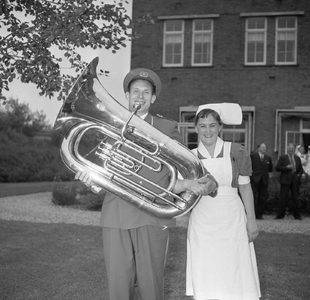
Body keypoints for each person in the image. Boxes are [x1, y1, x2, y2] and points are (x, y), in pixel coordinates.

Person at [75, 68, 218, 300]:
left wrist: (197, 184)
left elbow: (195, 172)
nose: (139, 97)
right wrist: (92, 180)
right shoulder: (110, 126)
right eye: (135, 92)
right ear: (127, 96)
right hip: (116, 216)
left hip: (153, 217)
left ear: (152, 98)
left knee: (151, 285)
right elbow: (105, 172)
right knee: (118, 287)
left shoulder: (167, 128)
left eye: (145, 92)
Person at [186, 103, 261, 300]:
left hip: (232, 218)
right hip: (202, 221)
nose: (207, 130)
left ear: (220, 127)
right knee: (206, 269)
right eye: (202, 126)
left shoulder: (235, 151)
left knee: (234, 268)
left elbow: (245, 187)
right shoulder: (189, 157)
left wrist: (251, 220)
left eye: (212, 125)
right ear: (196, 128)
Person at [275, 143, 303, 220]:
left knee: (295, 198)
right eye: (289, 148)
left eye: (292, 148)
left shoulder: (297, 158)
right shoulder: (282, 157)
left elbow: (301, 169)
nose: (291, 150)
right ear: (287, 149)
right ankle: (280, 215)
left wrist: (298, 175)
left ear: (294, 149)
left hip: (295, 179)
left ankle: (297, 215)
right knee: (283, 198)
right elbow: (277, 168)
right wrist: (286, 167)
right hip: (285, 179)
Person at [250, 143, 273, 219]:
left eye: (265, 147)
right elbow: (249, 166)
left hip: (264, 180)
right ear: (258, 148)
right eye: (263, 147)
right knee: (252, 196)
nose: (264, 149)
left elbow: (270, 169)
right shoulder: (253, 156)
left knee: (262, 197)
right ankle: (251, 214)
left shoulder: (268, 158)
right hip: (255, 179)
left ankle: (259, 214)